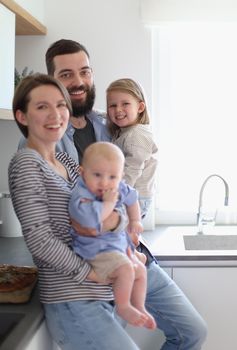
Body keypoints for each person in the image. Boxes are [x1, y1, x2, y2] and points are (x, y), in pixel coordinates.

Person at [19, 39, 207, 349]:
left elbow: (130, 190)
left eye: (85, 72)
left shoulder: (109, 125)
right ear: (53, 81)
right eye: (66, 75)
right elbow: (73, 221)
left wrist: (124, 218)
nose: (78, 82)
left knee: (192, 331)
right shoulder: (44, 144)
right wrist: (116, 217)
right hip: (94, 265)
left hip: (132, 255)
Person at [10, 73, 142, 350]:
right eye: (42, 106)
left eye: (61, 105)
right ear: (22, 116)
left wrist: (113, 224)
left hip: (97, 292)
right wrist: (89, 273)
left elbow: (109, 205)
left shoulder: (66, 162)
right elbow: (39, 239)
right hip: (72, 297)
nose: (56, 114)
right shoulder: (26, 163)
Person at [69, 141, 156, 329]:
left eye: (112, 177)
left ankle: (139, 306)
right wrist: (109, 203)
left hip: (116, 248)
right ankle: (123, 307)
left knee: (140, 270)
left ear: (120, 176)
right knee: (126, 269)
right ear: (82, 172)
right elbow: (92, 223)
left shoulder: (116, 186)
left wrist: (135, 220)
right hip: (95, 252)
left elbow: (132, 198)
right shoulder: (81, 195)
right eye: (97, 175)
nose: (105, 182)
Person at [106, 78, 158, 220]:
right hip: (132, 194)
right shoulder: (126, 131)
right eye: (112, 105)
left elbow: (132, 170)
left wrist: (115, 196)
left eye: (125, 104)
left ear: (140, 108)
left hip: (135, 197)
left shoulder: (137, 135)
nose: (118, 110)